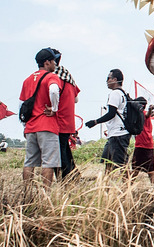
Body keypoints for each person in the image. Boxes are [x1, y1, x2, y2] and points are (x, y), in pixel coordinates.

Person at [20, 48, 61, 186]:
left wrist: (25, 125)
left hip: (31, 127)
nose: (55, 64)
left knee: (29, 162)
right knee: (48, 162)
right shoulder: (52, 77)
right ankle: (46, 195)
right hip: (47, 125)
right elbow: (54, 90)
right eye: (54, 61)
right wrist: (54, 109)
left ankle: (27, 193)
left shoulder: (27, 80)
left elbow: (22, 104)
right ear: (47, 62)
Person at [85, 69, 131, 171]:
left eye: (108, 78)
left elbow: (111, 113)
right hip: (115, 134)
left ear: (115, 79)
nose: (107, 81)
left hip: (118, 134)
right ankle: (106, 185)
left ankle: (127, 184)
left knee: (121, 165)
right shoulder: (124, 93)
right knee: (108, 161)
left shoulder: (115, 94)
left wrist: (95, 122)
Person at [51, 49, 81, 180]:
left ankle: (65, 179)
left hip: (58, 120)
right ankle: (73, 175)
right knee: (65, 149)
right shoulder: (67, 76)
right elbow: (76, 99)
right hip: (68, 120)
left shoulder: (54, 78)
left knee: (59, 153)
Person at [130, 98, 154, 184]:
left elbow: (147, 114)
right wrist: (153, 111)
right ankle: (129, 186)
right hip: (142, 144)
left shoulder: (143, 114)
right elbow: (149, 114)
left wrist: (150, 110)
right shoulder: (139, 115)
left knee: (149, 170)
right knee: (135, 169)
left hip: (144, 145)